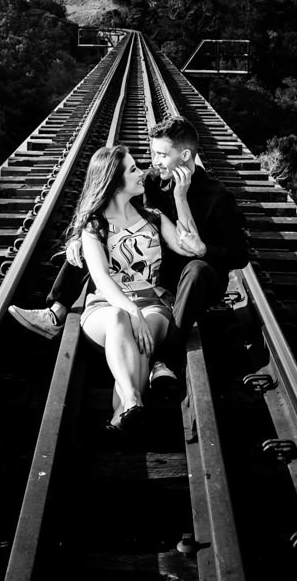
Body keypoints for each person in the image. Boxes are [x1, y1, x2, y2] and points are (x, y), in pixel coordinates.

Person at [10, 116, 249, 388]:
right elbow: (110, 204)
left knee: (197, 269)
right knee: (102, 238)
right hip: (157, 269)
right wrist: (80, 236)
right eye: (153, 153)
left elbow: (240, 255)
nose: (155, 161)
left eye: (161, 154)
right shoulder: (150, 180)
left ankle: (166, 359)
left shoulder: (217, 196)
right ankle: (57, 310)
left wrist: (204, 250)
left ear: (184, 155)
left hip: (198, 280)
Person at [62, 144, 199, 432]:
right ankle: (133, 398)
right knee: (118, 318)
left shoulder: (153, 217)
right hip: (105, 308)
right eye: (133, 169)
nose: (142, 173)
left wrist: (180, 196)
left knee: (142, 331)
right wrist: (129, 309)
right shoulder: (94, 226)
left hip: (153, 305)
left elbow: (190, 249)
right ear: (113, 180)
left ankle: (124, 412)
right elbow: (101, 279)